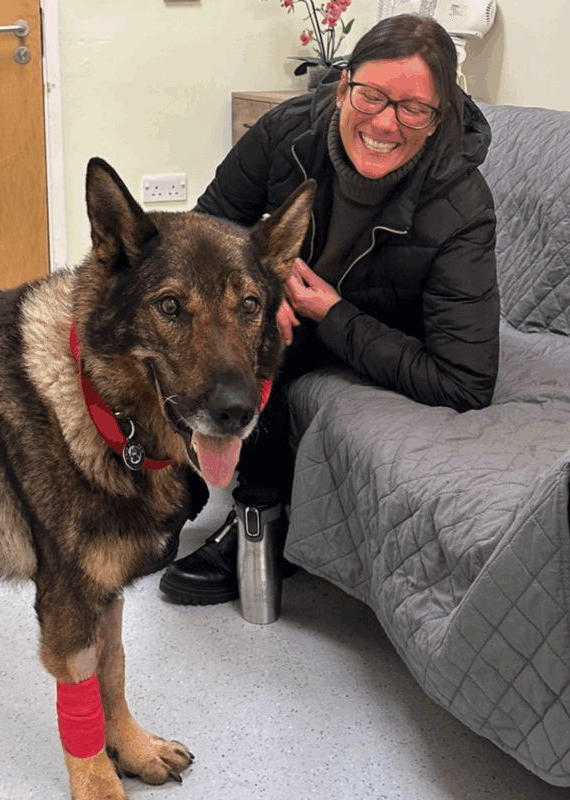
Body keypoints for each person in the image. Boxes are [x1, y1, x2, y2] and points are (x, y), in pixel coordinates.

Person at [159, 14, 500, 604]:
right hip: (288, 306)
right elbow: (203, 227)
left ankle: (259, 523)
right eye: (371, 96)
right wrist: (262, 286)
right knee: (185, 341)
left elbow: (465, 381)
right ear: (343, 87)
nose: (385, 122)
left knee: (270, 364)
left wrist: (333, 314)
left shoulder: (463, 204)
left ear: (438, 115)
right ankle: (172, 493)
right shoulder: (285, 132)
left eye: (413, 109)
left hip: (374, 332)